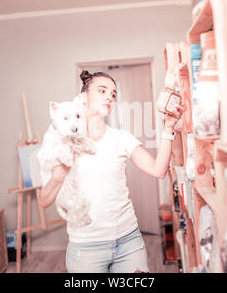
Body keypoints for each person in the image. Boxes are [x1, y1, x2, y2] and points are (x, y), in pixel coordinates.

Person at [39, 70, 184, 273]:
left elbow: (158, 170)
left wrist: (169, 128)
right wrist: (58, 177)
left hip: (128, 242)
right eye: (103, 90)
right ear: (83, 97)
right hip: (85, 248)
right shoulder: (62, 144)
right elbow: (43, 201)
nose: (110, 97)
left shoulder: (121, 138)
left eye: (113, 94)